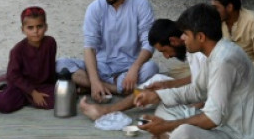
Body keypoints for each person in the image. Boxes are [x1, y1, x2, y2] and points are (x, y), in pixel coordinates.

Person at [135, 3, 254, 139]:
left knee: (184, 134)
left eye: (186, 34)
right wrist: (157, 95)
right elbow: (197, 90)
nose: (182, 39)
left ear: (201, 37)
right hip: (220, 127)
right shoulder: (215, 53)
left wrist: (166, 126)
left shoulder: (225, 60)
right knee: (165, 106)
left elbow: (211, 119)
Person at [56, 0, 159, 101]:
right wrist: (95, 81)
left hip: (128, 69)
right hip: (100, 68)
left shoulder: (141, 5)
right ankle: (115, 89)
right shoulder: (95, 8)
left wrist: (134, 68)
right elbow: (89, 48)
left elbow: (149, 43)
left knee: (151, 68)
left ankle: (91, 85)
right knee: (61, 64)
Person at [78, 18, 208, 121]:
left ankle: (106, 110)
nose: (167, 57)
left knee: (160, 105)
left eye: (164, 51)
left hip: (205, 96)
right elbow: (197, 77)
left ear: (173, 41)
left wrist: (198, 104)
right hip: (197, 90)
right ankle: (107, 110)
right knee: (156, 82)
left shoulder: (197, 50)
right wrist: (167, 84)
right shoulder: (190, 48)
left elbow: (205, 86)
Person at [0, 6, 57, 113]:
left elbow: (50, 68)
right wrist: (32, 92)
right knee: (2, 104)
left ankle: (23, 99)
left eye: (39, 26)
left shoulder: (50, 43)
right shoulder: (17, 50)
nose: (36, 31)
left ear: (46, 27)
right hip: (20, 87)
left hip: (42, 86)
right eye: (30, 28)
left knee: (60, 99)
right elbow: (13, 76)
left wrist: (55, 86)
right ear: (23, 29)